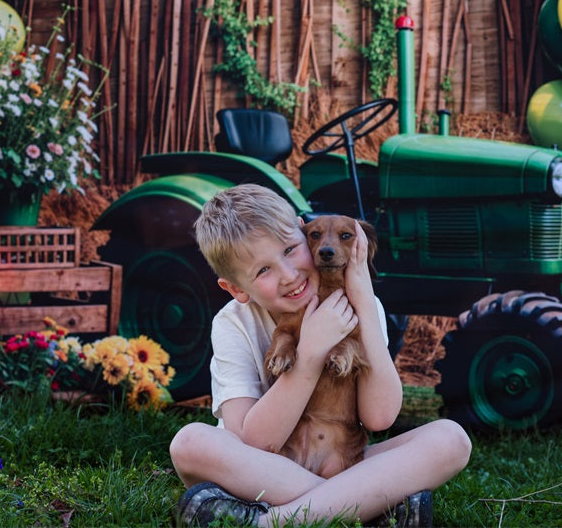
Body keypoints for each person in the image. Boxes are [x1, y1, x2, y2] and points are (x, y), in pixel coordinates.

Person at [170, 184, 471, 526]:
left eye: (289, 249)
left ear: (305, 234)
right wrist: (310, 353)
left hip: (340, 457)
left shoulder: (362, 307)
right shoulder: (232, 324)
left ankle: (269, 522)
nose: (288, 275)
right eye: (262, 270)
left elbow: (379, 416)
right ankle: (367, 510)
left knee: (451, 439)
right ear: (237, 288)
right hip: (264, 471)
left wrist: (365, 301)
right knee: (190, 443)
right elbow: (254, 442)